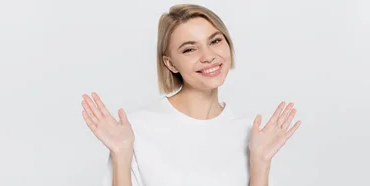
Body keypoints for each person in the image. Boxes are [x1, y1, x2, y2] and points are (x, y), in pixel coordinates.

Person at [80, 4, 302, 186]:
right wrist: (121, 155)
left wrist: (261, 162)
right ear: (170, 63)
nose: (208, 56)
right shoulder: (135, 130)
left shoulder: (251, 134)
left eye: (215, 41)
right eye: (189, 49)